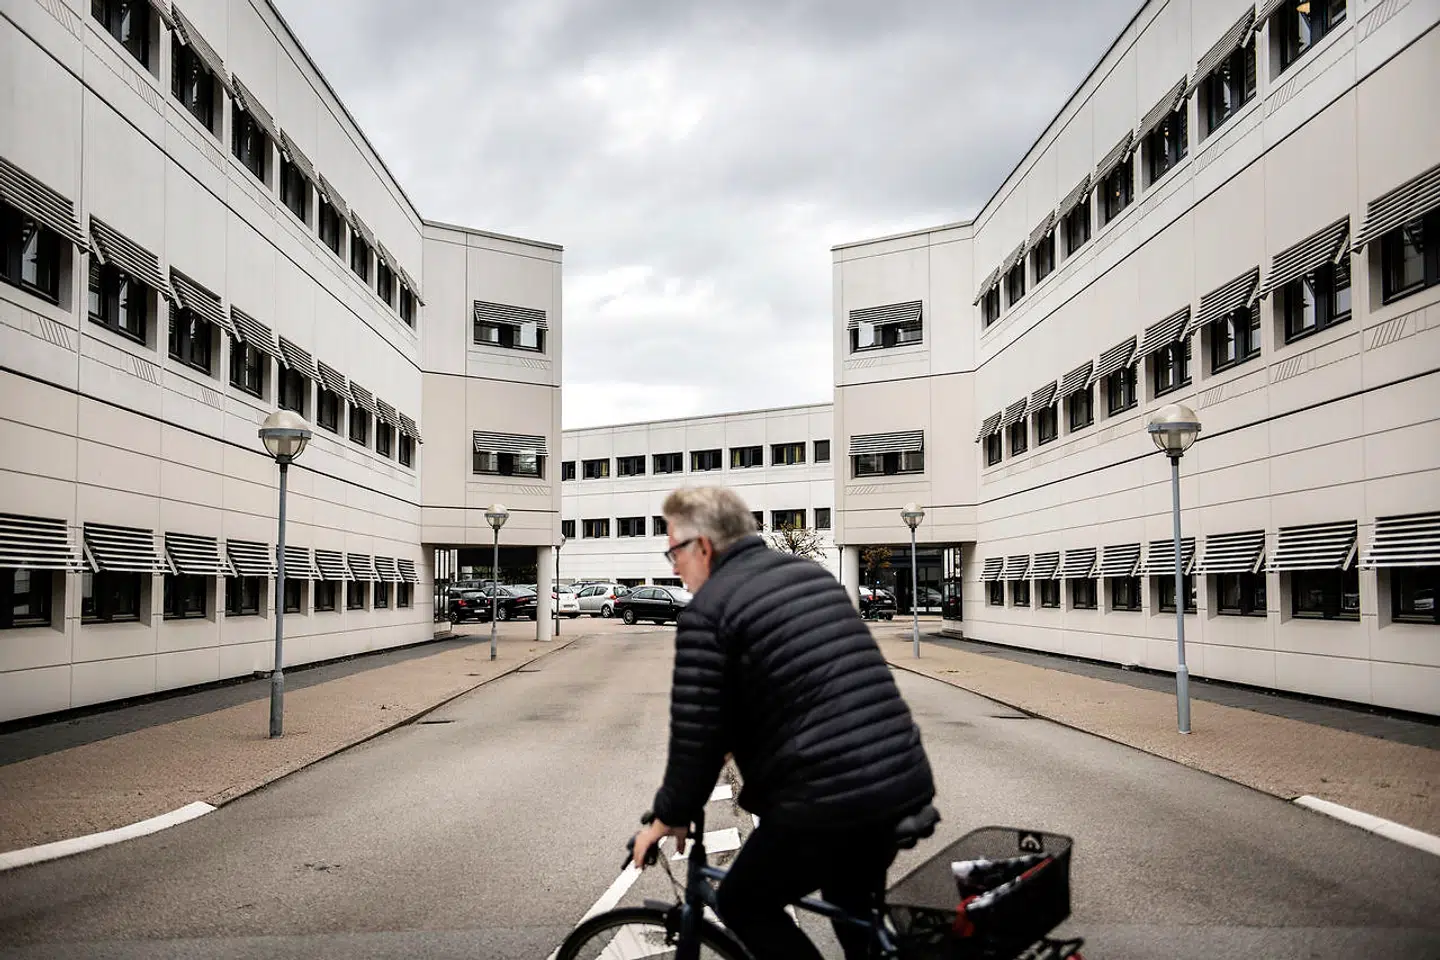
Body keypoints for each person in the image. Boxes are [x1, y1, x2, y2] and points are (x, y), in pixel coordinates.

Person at [630, 486, 936, 960]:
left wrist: (667, 816)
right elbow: (795, 690)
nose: (673, 567)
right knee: (850, 904)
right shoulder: (809, 576)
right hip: (900, 777)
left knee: (742, 902)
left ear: (704, 547)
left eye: (674, 551)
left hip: (828, 801)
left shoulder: (708, 612)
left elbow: (696, 737)